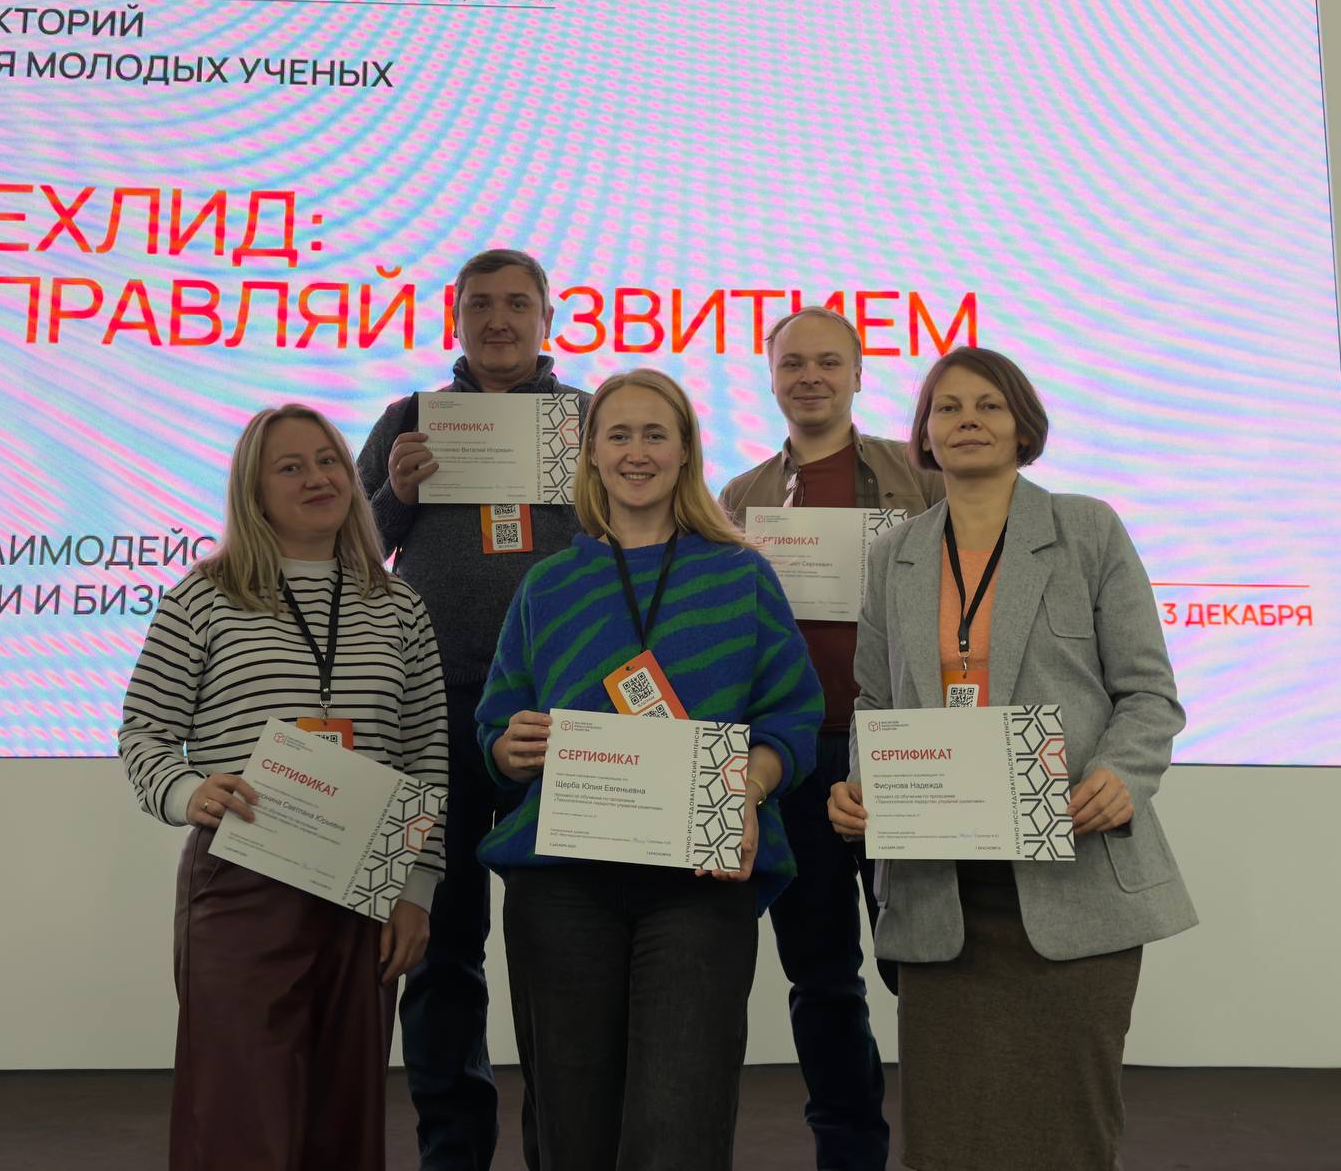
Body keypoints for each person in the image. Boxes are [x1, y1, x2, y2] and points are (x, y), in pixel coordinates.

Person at [829, 347, 1196, 1171]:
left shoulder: (1087, 529)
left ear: (1023, 426)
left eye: (988, 406)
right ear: (924, 433)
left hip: (1074, 881)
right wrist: (860, 784)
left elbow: (1148, 694)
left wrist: (1122, 775)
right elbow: (876, 704)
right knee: (947, 1135)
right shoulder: (895, 555)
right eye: (948, 407)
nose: (968, 421)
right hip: (942, 893)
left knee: (1068, 1131)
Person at [477, 368, 823, 1171]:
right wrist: (505, 745)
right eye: (619, 435)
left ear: (686, 451)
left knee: (679, 1124)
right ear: (592, 454)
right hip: (563, 882)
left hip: (697, 879)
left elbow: (792, 717)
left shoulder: (741, 575)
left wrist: (750, 788)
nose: (637, 452)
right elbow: (498, 720)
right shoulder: (547, 585)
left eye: (655, 434)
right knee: (572, 1129)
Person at [118, 403, 450, 1171]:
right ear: (254, 490)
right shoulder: (204, 595)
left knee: (344, 1116)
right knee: (241, 1118)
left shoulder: (398, 605)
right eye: (291, 467)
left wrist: (417, 888)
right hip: (243, 881)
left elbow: (427, 755)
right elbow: (144, 732)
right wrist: (185, 792)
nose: (317, 479)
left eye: (328, 461)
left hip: (365, 884)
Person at [356, 247, 584, 1171]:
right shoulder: (409, 418)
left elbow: (639, 536)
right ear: (454, 318)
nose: (498, 320)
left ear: (547, 319)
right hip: (434, 707)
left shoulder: (588, 420)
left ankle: (564, 1146)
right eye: (480, 304)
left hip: (558, 710)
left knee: (559, 942)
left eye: (517, 304)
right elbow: (352, 552)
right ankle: (453, 1150)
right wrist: (397, 492)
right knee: (441, 943)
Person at [718, 306, 943, 1171]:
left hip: (903, 750)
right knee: (821, 975)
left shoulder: (916, 475)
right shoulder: (740, 497)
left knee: (927, 964)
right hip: (793, 756)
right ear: (771, 376)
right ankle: (849, 1156)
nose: (809, 377)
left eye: (827, 361)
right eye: (792, 363)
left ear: (857, 373)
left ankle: (956, 1140)